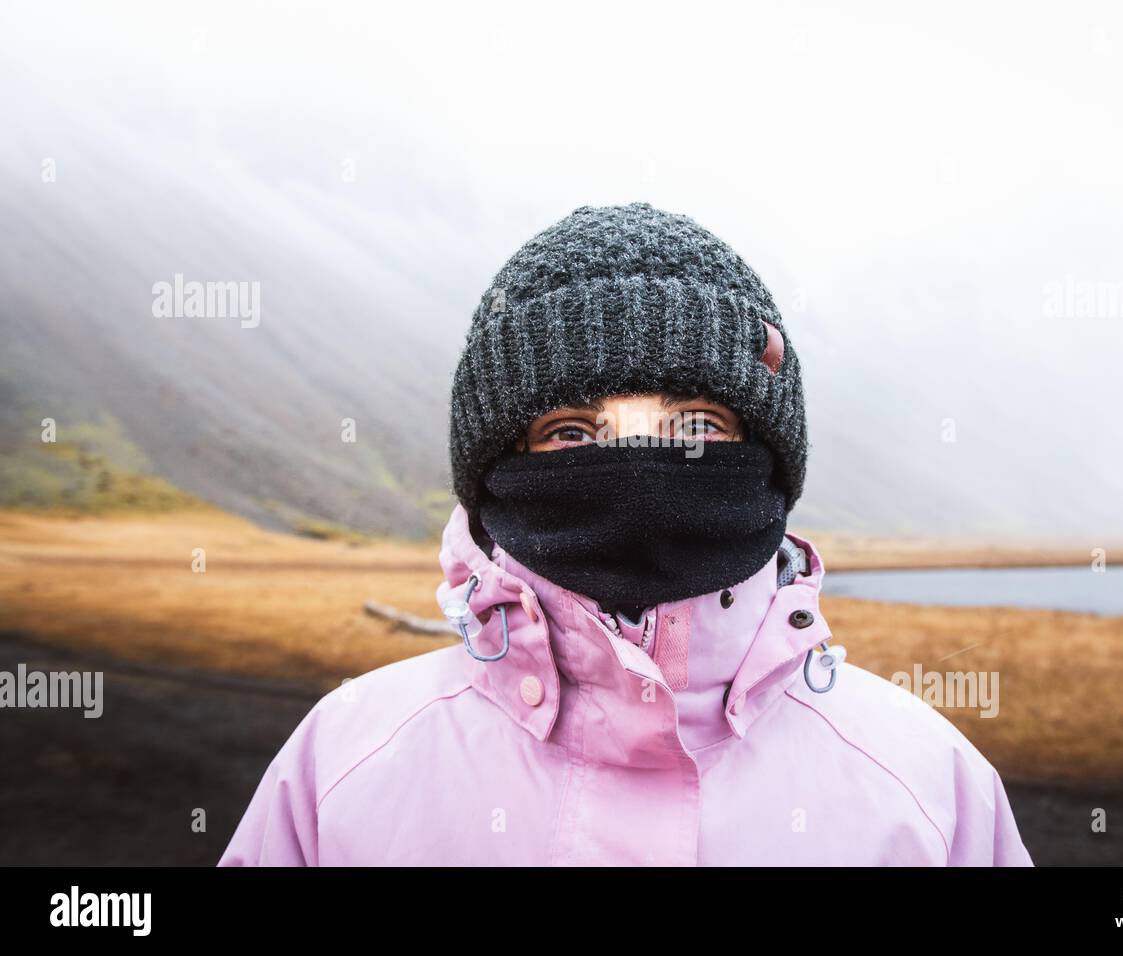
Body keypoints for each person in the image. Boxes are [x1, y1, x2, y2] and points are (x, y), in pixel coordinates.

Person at [217, 201, 1033, 866]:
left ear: (770, 456)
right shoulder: (344, 765)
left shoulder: (930, 786)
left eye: (696, 424)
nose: (641, 467)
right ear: (494, 464)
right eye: (572, 433)